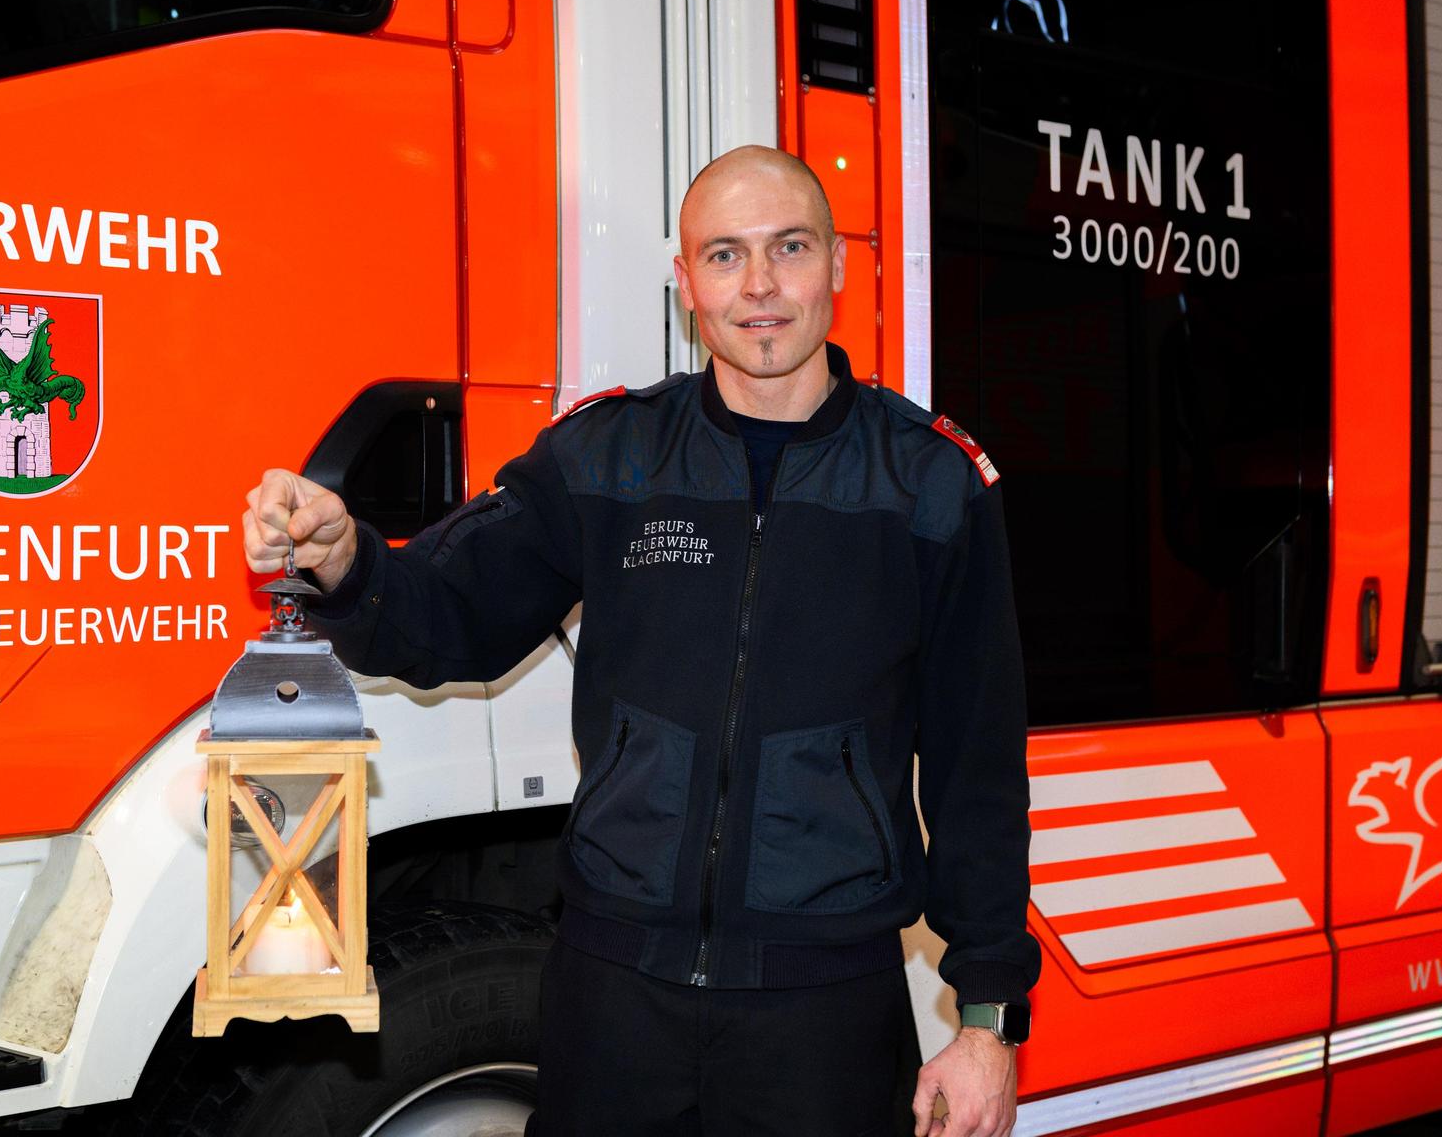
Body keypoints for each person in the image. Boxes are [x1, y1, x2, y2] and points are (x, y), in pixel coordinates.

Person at [243, 145, 1039, 1137]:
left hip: (826, 1010)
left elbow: (977, 767)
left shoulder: (929, 484)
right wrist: (344, 560)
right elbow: (446, 613)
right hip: (611, 998)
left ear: (838, 263)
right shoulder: (609, 457)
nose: (759, 285)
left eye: (790, 247)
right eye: (724, 255)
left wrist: (988, 1020)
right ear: (686, 282)